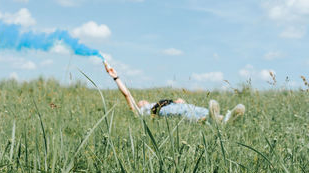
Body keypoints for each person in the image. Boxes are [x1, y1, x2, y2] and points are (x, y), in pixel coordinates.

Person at [104, 61, 245, 123]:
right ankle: (220, 119)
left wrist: (176, 101)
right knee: (187, 114)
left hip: (175, 105)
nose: (141, 101)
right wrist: (115, 77)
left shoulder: (156, 103)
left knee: (197, 109)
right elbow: (127, 94)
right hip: (164, 112)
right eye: (139, 102)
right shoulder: (141, 111)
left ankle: (225, 119)